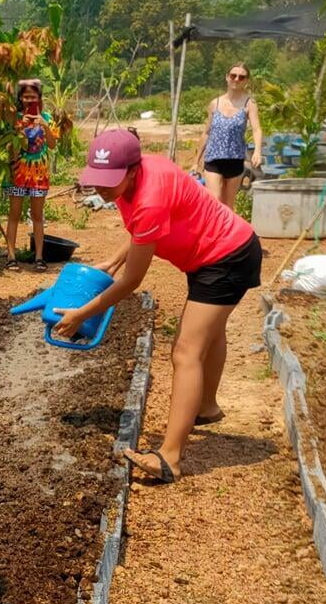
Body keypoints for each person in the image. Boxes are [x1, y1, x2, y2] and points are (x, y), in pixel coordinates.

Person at [54, 128, 262, 484]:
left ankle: (170, 457)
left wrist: (82, 314)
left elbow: (132, 282)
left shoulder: (149, 196)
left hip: (226, 258)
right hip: (215, 253)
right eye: (97, 179)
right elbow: (140, 229)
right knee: (211, 333)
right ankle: (206, 407)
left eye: (109, 181)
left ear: (133, 170)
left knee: (186, 352)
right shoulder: (138, 176)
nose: (101, 188)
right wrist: (113, 261)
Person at [194, 64, 263, 211]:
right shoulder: (215, 103)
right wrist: (196, 160)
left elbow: (256, 129)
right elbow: (207, 132)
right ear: (227, 77)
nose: (236, 79)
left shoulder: (249, 104)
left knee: (228, 206)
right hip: (213, 158)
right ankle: (214, 227)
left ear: (246, 81)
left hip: (235, 159)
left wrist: (257, 151)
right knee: (215, 202)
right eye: (233, 75)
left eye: (241, 77)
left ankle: (226, 227)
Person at [5, 78, 58, 270]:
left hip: (39, 175)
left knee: (37, 215)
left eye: (32, 97)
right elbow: (9, 147)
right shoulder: (14, 119)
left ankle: (39, 257)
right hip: (17, 174)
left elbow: (52, 145)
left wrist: (44, 125)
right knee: (14, 214)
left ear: (39, 98)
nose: (29, 100)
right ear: (20, 98)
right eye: (25, 97)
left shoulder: (47, 118)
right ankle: (11, 256)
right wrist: (20, 127)